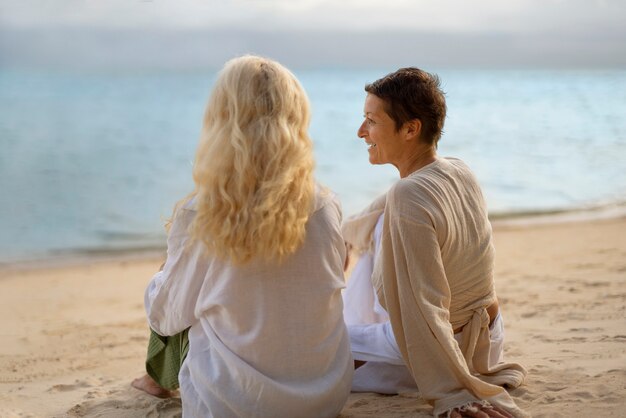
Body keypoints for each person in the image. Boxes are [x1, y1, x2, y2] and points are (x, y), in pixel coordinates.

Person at [131, 55, 353, 418]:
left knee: (173, 287)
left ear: (221, 122)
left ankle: (154, 379)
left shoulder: (202, 212)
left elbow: (165, 317)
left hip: (233, 403)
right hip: (324, 396)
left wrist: (161, 276)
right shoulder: (326, 204)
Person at [341, 68, 528, 418]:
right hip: (489, 336)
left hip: (443, 350)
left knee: (308, 349)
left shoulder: (408, 194)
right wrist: (342, 237)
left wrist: (451, 392)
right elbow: (378, 214)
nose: (361, 132)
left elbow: (424, 304)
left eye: (371, 121)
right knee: (375, 224)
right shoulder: (457, 168)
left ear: (410, 129)